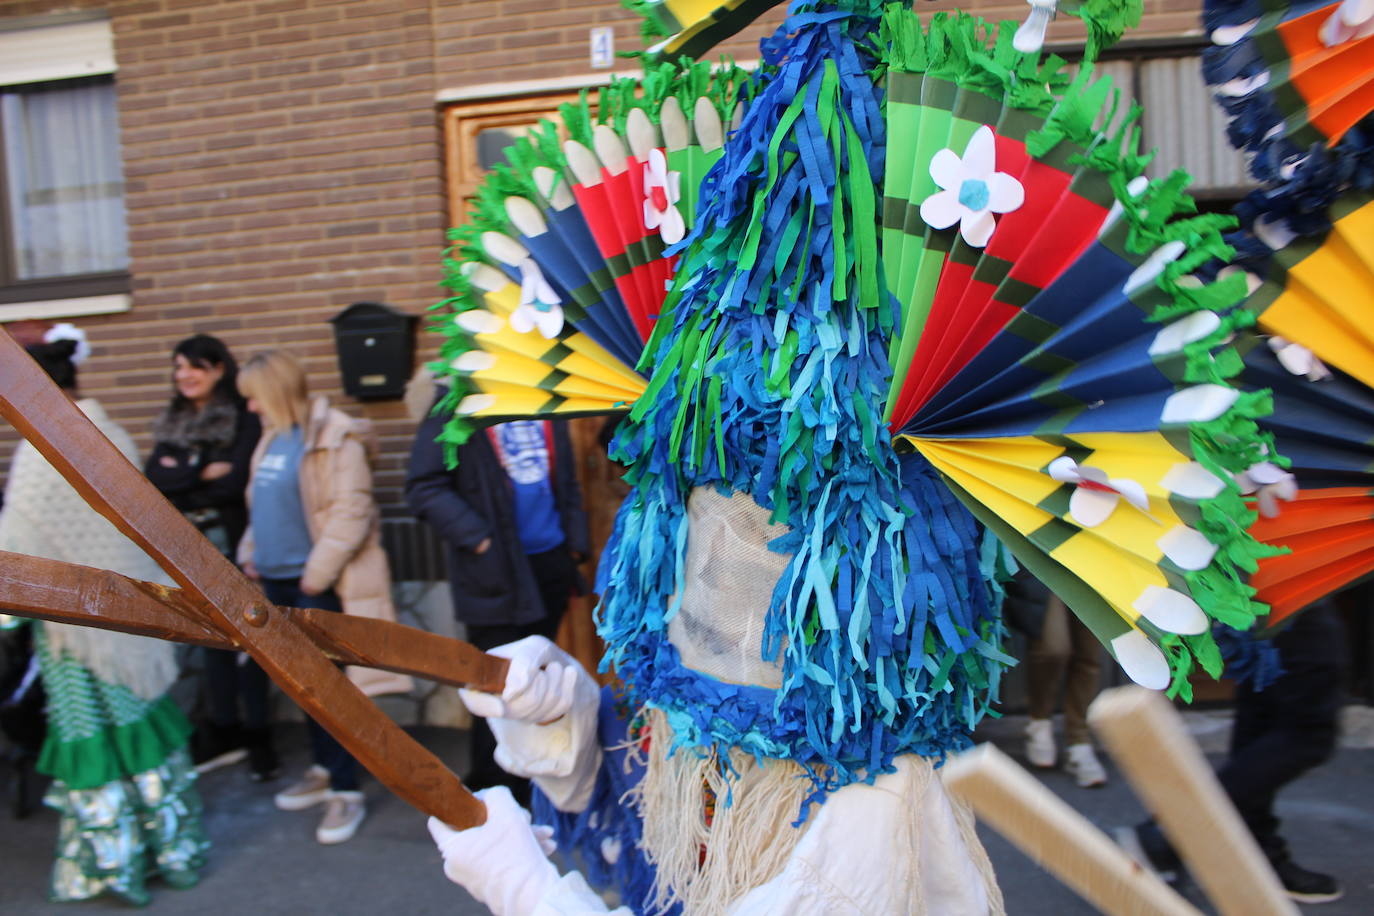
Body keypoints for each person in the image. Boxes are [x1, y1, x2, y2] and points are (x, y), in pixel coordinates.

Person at [0, 324, 207, 905]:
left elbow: (16, 544)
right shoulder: (111, 432)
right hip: (135, 620)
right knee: (146, 733)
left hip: (75, 634)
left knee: (92, 737)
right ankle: (176, 849)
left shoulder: (39, 447)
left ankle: (114, 867)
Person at [235, 350, 412, 845]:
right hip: (275, 582)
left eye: (253, 397)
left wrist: (316, 575)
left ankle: (346, 790)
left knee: (332, 690)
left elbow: (351, 511)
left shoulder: (336, 436)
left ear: (272, 392)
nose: (250, 408)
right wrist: (252, 550)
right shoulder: (272, 438)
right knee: (303, 686)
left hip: (316, 586)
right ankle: (322, 767)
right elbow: (262, 504)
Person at [405, 378, 590, 805]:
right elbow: (423, 486)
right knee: (494, 688)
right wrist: (480, 539)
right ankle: (490, 795)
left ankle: (531, 788)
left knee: (533, 682)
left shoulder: (542, 392)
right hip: (493, 571)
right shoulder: (455, 397)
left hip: (549, 564)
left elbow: (566, 479)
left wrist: (574, 544)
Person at [1119, 602, 1348, 904]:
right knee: (1308, 732)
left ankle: (1255, 853)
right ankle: (1167, 835)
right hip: (1294, 585)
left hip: (1257, 588)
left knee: (1265, 720)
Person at [144, 334, 274, 779]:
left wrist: (181, 475)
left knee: (249, 640)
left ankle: (259, 736)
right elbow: (151, 479)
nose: (184, 375)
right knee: (210, 641)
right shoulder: (174, 419)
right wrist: (200, 469)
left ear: (219, 368)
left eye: (194, 366)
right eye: (178, 367)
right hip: (186, 548)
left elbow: (235, 482)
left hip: (234, 545)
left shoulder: (241, 415)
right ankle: (225, 729)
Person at [1004, 569, 1109, 788]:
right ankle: (1039, 723)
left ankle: (1079, 742)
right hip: (1046, 554)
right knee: (1053, 649)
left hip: (1096, 559)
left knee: (1089, 655)